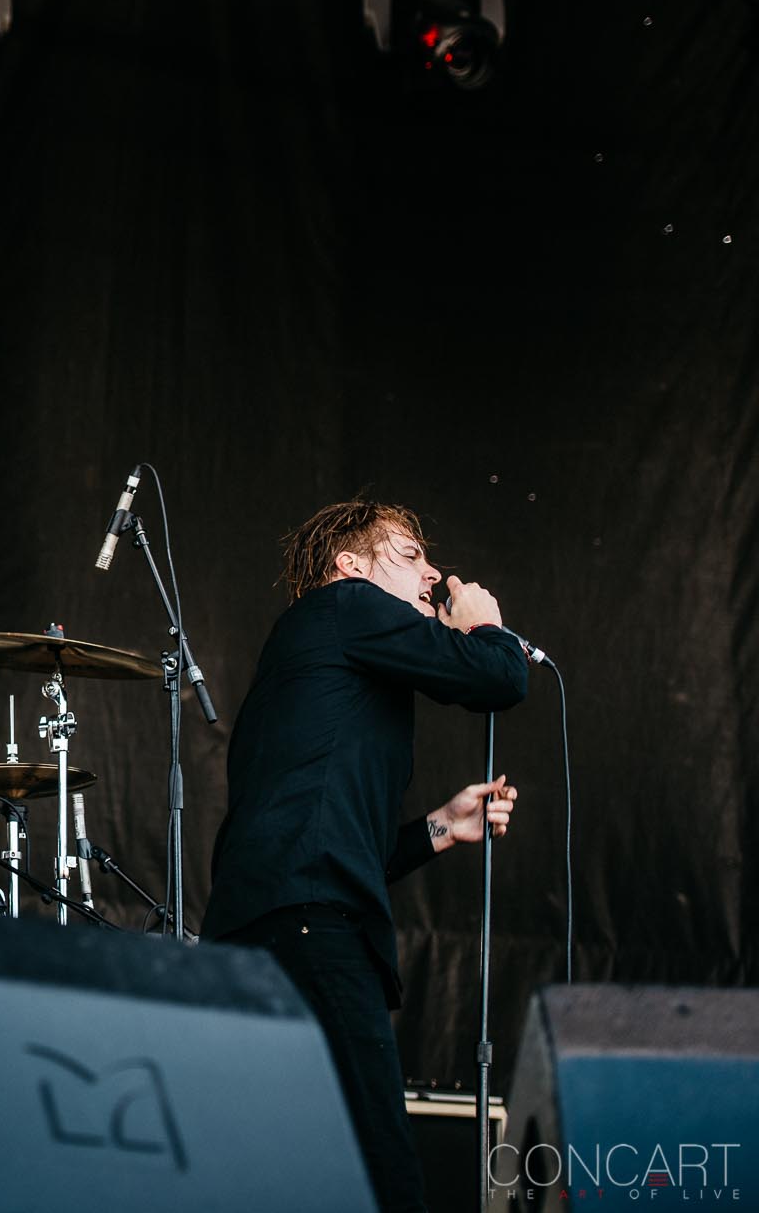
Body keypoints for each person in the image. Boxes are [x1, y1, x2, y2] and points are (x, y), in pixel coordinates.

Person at [202, 500, 529, 1213]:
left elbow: (339, 846)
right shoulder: (346, 605)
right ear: (350, 566)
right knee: (379, 1166)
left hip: (268, 924)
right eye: (410, 554)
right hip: (312, 928)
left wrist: (442, 825)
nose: (434, 571)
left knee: (293, 1164)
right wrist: (486, 624)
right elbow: (499, 679)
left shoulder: (327, 666)